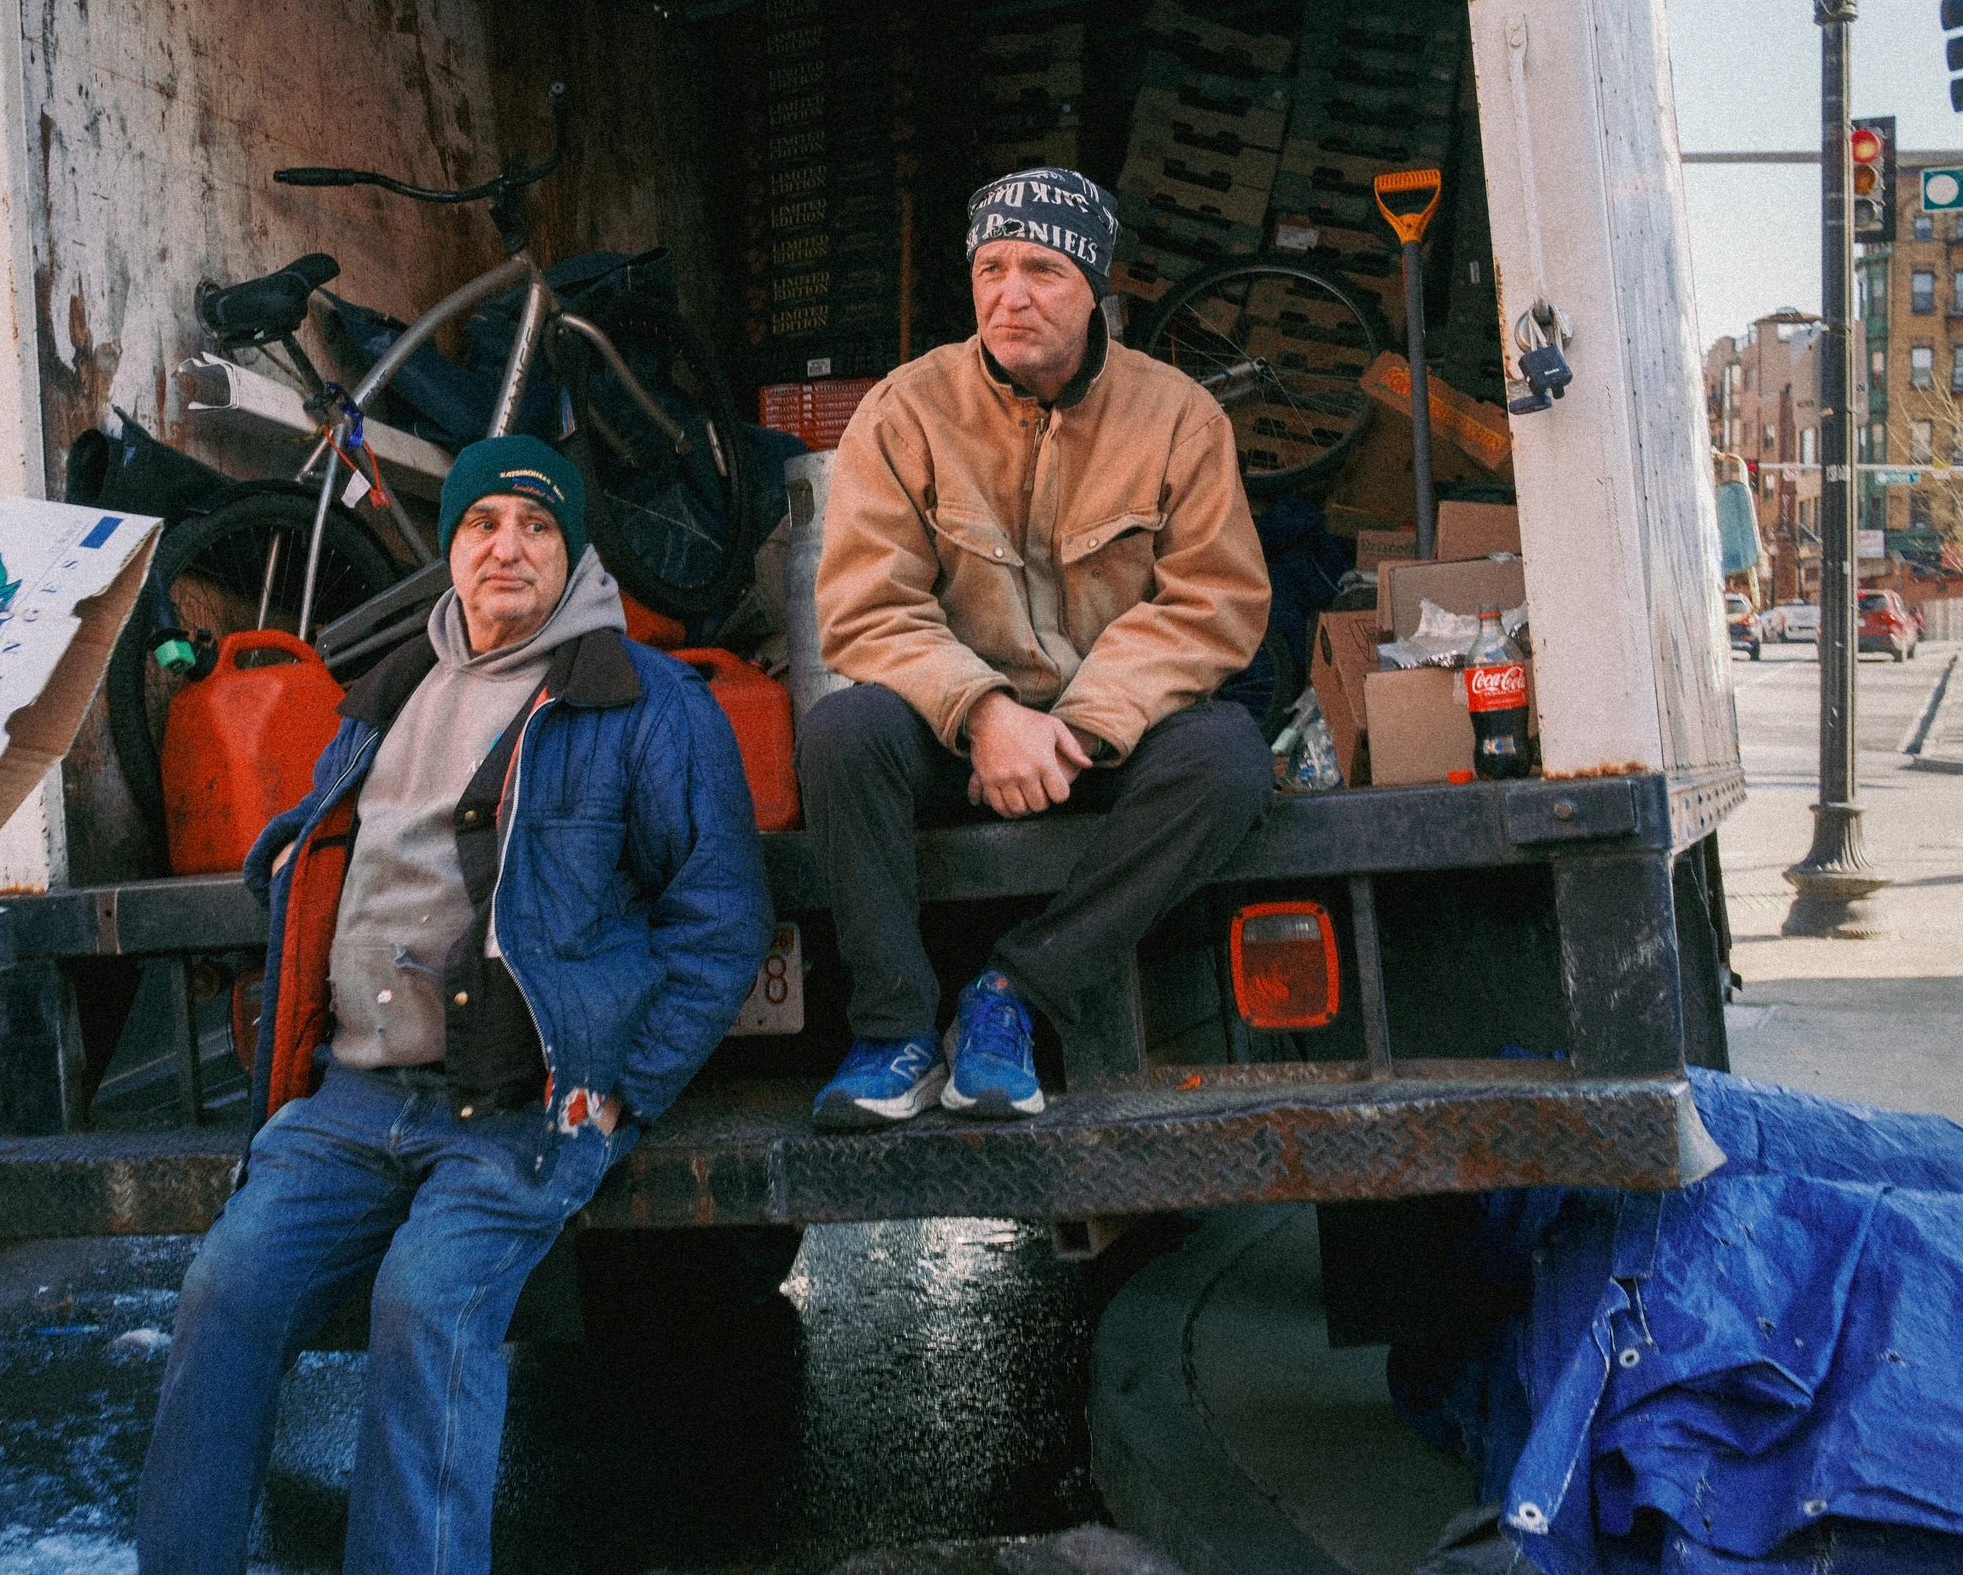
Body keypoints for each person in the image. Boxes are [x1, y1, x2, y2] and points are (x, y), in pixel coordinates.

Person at [137, 436, 772, 1574]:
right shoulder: (387, 700)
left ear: (572, 549)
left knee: (426, 1309)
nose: (507, 548)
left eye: (536, 525)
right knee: (222, 1291)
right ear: (453, 550)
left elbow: (721, 920)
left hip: (520, 1107)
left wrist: (623, 1088)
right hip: (351, 1104)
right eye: (483, 524)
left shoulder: (642, 702)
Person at [800, 167, 1275, 1130]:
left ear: (1095, 286)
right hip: (960, 738)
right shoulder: (905, 410)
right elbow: (863, 605)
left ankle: (1013, 991)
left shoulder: (1181, 416)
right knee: (843, 733)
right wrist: (983, 717)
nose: (1010, 295)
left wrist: (1084, 729)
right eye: (991, 268)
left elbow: (1215, 604)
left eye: (1042, 271)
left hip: (1109, 743)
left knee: (1229, 760)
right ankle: (894, 1029)